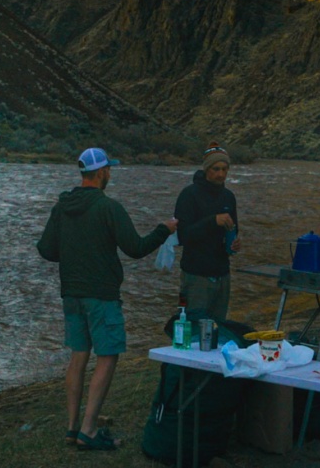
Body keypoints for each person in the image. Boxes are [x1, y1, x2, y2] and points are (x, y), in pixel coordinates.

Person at [37, 147, 177, 452]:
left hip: (71, 293)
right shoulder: (108, 207)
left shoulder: (62, 206)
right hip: (101, 295)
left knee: (78, 355)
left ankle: (72, 428)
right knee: (108, 354)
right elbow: (136, 248)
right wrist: (163, 230)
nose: (110, 174)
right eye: (109, 169)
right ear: (101, 172)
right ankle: (89, 431)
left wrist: (74, 250)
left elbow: (46, 249)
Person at [174, 142, 240, 320]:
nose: (221, 174)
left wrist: (235, 243)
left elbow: (234, 229)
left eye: (225, 169)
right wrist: (213, 221)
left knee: (218, 330)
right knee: (192, 330)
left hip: (222, 274)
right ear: (206, 169)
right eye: (216, 169)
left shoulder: (228, 197)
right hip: (196, 276)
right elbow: (183, 236)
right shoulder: (189, 195)